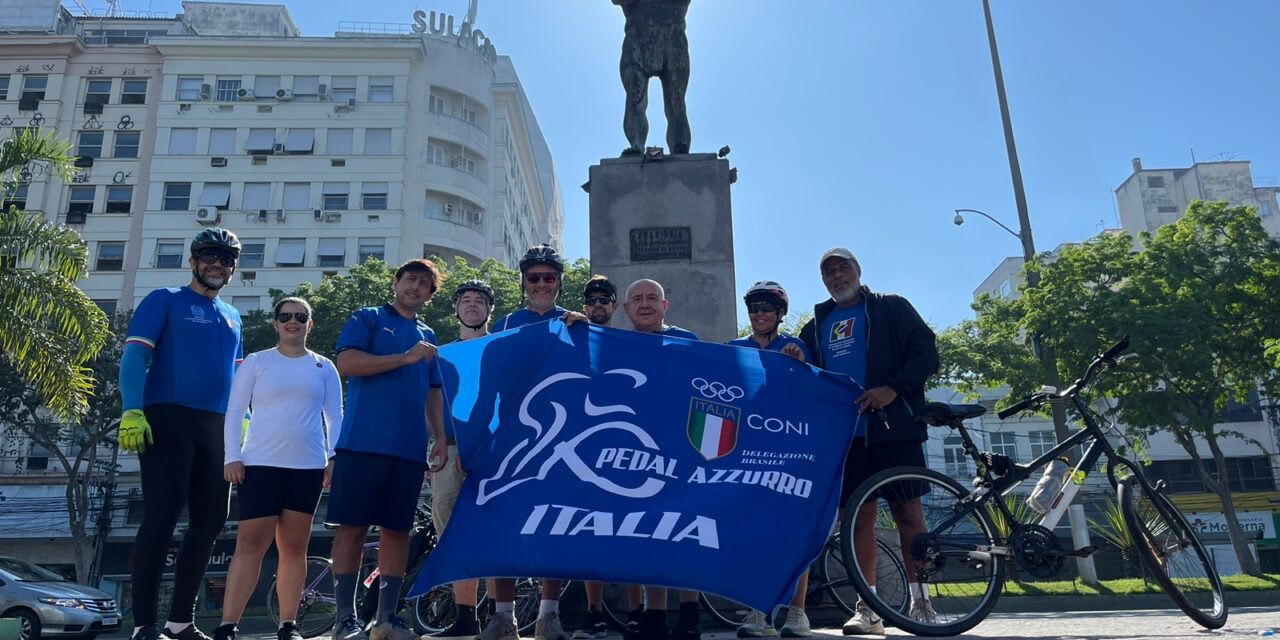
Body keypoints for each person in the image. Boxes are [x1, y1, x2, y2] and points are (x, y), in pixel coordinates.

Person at [796, 248, 940, 634]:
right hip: (846, 438)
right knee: (858, 520)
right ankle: (869, 608)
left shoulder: (890, 308)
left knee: (909, 515)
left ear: (858, 272)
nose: (837, 277)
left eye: (844, 269)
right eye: (829, 273)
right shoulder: (818, 323)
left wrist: (893, 388)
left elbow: (926, 353)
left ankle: (922, 603)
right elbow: (801, 369)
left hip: (894, 431)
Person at [118, 228, 244, 640]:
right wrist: (132, 410)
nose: (217, 265)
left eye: (226, 259)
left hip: (217, 426)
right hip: (167, 418)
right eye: (209, 256)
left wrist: (244, 421)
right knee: (162, 517)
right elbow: (136, 354)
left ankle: (180, 622)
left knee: (211, 521)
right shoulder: (165, 299)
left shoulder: (233, 315)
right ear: (192, 261)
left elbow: (238, 375)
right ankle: (144, 625)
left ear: (233, 268)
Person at [326, 259, 448, 640]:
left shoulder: (428, 334)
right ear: (396, 282)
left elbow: (432, 392)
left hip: (409, 451)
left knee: (397, 532)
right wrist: (403, 357)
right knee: (353, 529)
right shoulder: (368, 318)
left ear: (430, 295)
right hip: (362, 443)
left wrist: (440, 437)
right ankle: (345, 619)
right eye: (410, 279)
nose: (416, 287)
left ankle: (386, 619)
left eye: (425, 284)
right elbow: (346, 363)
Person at [215, 297, 343, 640]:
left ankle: (288, 625)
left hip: (307, 468)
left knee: (294, 548)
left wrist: (334, 457)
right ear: (275, 323)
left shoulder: (324, 366)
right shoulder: (257, 363)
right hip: (259, 465)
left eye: (301, 317)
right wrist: (232, 456)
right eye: (285, 316)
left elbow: (334, 415)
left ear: (309, 324)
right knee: (250, 544)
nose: (293, 322)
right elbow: (235, 410)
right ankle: (227, 625)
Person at [483, 244, 581, 640]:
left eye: (549, 277)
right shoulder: (505, 323)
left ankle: (548, 615)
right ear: (523, 282)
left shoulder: (577, 324)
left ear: (559, 282)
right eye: (534, 277)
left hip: (563, 440)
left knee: (555, 526)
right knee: (501, 527)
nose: (541, 283)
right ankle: (503, 616)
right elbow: (487, 385)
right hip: (512, 440)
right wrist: (478, 439)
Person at [724, 282, 812, 638]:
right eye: (754, 308)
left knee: (794, 531)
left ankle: (797, 612)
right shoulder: (734, 349)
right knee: (753, 531)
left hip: (788, 450)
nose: (759, 314)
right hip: (747, 448)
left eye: (766, 308)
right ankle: (758, 614)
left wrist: (800, 367)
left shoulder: (795, 347)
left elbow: (810, 397)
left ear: (779, 313)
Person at [621, 279, 699, 640]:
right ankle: (654, 616)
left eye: (652, 297)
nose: (645, 304)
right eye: (637, 299)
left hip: (681, 450)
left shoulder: (688, 340)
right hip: (637, 453)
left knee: (683, 532)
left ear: (665, 305)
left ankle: (689, 614)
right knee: (646, 532)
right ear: (626, 309)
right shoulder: (616, 345)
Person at [429, 279, 495, 640]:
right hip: (450, 448)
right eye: (465, 300)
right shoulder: (441, 354)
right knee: (451, 537)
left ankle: (502, 615)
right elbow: (433, 402)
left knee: (496, 533)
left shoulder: (500, 349)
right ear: (455, 309)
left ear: (489, 310)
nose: (472, 305)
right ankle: (465, 619)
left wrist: (480, 445)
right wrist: (438, 443)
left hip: (492, 452)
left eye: (479, 301)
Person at [573, 275, 622, 640]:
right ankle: (594, 613)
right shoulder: (571, 337)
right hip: (583, 447)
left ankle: (637, 612)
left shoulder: (631, 341)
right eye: (591, 301)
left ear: (615, 306)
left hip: (625, 447)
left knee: (627, 531)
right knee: (590, 532)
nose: (597, 306)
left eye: (604, 300)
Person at [612, 0, 693, 155]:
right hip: (637, 36)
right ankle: (636, 143)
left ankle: (680, 143)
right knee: (635, 98)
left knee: (676, 100)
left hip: (673, 35)